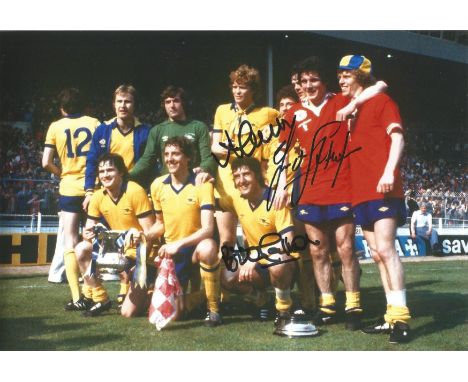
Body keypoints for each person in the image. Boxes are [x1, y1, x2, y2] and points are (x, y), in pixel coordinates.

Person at [277, 56, 367, 330]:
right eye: (303, 81)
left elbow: (377, 88)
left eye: (313, 79)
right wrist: (281, 183)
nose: (308, 85)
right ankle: (327, 305)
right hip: (309, 188)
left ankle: (353, 306)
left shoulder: (340, 101)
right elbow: (283, 150)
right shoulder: (293, 112)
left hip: (341, 185)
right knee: (318, 252)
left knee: (346, 248)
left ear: (324, 80)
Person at [337, 54, 411, 343]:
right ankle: (392, 315)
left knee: (386, 248)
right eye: (340, 74)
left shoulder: (382, 102)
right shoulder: (353, 111)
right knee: (377, 254)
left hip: (382, 188)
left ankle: (402, 319)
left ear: (361, 77)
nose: (341, 79)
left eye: (346, 74)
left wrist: (389, 171)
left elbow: (398, 138)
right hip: (360, 192)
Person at [84, 84, 153, 307]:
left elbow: (149, 162)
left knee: (133, 239)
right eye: (119, 102)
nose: (123, 106)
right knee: (95, 241)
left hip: (133, 192)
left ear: (134, 105)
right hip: (107, 191)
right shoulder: (103, 130)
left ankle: (129, 285)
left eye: (128, 101)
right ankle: (92, 294)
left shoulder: (145, 131)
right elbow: (93, 161)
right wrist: (88, 191)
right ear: (113, 104)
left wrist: (128, 179)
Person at [148, 136, 222, 327]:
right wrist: (145, 236)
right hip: (174, 254)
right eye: (166, 154)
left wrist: (177, 244)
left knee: (207, 247)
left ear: (188, 157)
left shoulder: (202, 183)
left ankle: (213, 309)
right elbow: (159, 224)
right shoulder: (158, 185)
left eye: (176, 154)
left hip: (195, 247)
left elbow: (208, 229)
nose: (170, 159)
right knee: (175, 315)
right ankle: (201, 297)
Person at [211, 64, 279, 268]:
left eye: (243, 87)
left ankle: (255, 286)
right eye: (234, 86)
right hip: (226, 183)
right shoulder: (222, 111)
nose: (237, 91)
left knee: (252, 238)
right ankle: (225, 288)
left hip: (251, 182)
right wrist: (237, 151)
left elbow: (283, 135)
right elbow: (215, 146)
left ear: (253, 90)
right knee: (227, 240)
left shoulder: (267, 114)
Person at [218, 157, 298, 324]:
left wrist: (254, 256)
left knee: (276, 262)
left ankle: (284, 310)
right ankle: (262, 300)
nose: (242, 180)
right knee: (226, 275)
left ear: (257, 176)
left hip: (284, 263)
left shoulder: (275, 200)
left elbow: (288, 242)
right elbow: (214, 201)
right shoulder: (237, 199)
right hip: (257, 265)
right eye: (237, 176)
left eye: (246, 174)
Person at [75, 153, 156, 317]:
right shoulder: (98, 196)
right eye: (102, 171)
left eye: (110, 170)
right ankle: (101, 298)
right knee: (82, 249)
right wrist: (88, 234)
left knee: (128, 312)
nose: (105, 175)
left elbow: (150, 233)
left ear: (121, 173)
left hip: (142, 253)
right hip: (119, 251)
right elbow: (88, 233)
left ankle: (155, 289)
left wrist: (139, 261)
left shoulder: (135, 191)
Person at [42, 88, 100, 310]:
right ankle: (95, 291)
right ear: (85, 106)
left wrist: (62, 173)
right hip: (93, 187)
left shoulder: (55, 126)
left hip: (68, 187)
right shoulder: (95, 123)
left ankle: (77, 297)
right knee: (94, 238)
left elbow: (46, 162)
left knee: (70, 241)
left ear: (62, 108)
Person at [130, 85, 216, 187]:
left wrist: (203, 169)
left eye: (176, 101)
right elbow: (146, 160)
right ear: (164, 105)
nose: (172, 105)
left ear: (183, 102)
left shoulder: (198, 127)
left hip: (193, 183)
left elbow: (207, 158)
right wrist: (127, 176)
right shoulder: (157, 130)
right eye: (168, 102)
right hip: (167, 186)